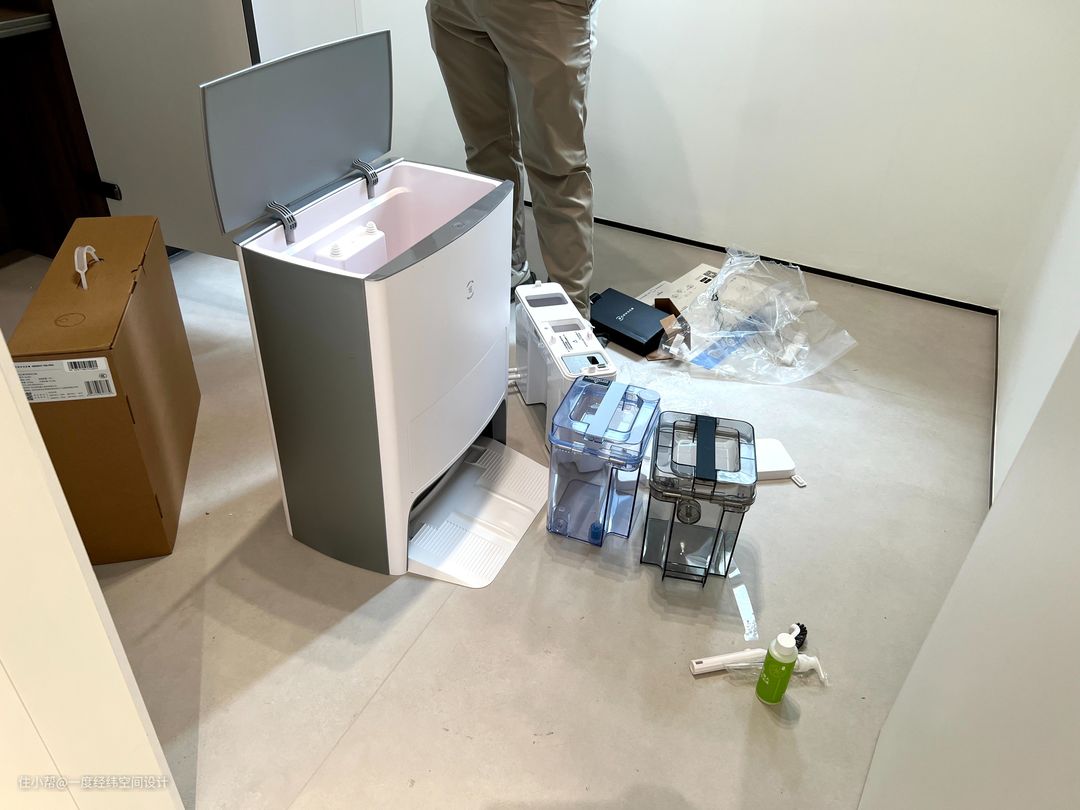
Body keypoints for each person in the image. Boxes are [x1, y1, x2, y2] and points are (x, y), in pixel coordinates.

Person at [426, 0, 597, 315]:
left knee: (556, 166)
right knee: (486, 156)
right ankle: (507, 277)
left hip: (540, 8)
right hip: (454, 8)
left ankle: (567, 321)